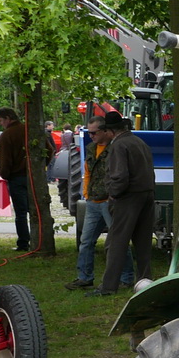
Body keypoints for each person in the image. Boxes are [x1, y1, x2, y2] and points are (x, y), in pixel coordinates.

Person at [65, 118, 133, 290]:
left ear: (105, 131)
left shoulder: (116, 147)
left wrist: (113, 196)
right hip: (94, 202)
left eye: (94, 132)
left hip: (110, 202)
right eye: (89, 132)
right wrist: (86, 193)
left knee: (118, 242)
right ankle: (84, 277)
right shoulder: (91, 148)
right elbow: (88, 172)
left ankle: (126, 278)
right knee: (86, 241)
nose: (91, 135)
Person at [93, 113, 155, 295]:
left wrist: (113, 194)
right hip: (147, 194)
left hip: (128, 197)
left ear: (110, 130)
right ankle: (145, 282)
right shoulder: (139, 142)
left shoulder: (119, 145)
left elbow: (120, 176)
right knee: (143, 243)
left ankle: (108, 287)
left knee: (115, 243)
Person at [0, 107, 33, 252]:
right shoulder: (30, 131)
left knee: (21, 213)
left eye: (1, 120)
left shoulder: (6, 135)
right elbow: (49, 150)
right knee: (35, 210)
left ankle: (23, 243)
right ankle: (39, 239)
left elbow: (5, 159)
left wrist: (4, 174)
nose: (1, 124)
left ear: (8, 118)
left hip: (16, 178)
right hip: (33, 177)